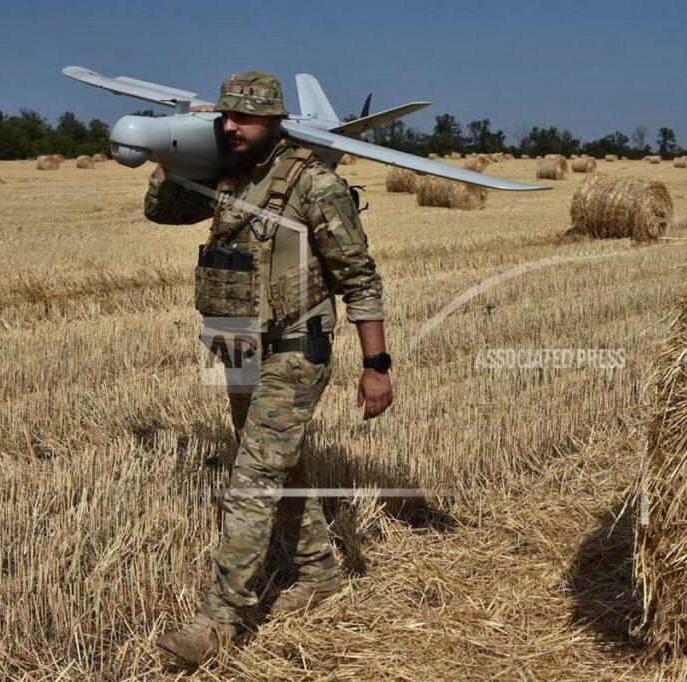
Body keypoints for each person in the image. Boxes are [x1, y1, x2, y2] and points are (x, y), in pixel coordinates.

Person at [144, 71, 394, 666]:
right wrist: (166, 153)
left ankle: (218, 621)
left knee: (253, 476)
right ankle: (317, 572)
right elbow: (162, 210)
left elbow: (360, 281)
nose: (231, 127)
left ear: (275, 121)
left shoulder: (316, 185)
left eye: (244, 119)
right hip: (237, 342)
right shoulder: (229, 174)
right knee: (277, 461)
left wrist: (376, 365)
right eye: (225, 116)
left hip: (296, 347)